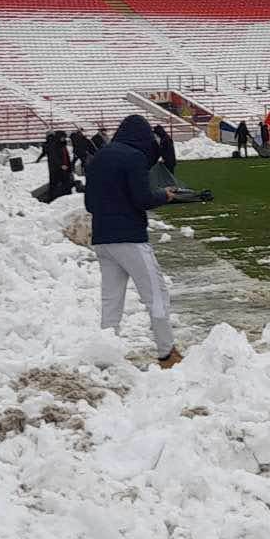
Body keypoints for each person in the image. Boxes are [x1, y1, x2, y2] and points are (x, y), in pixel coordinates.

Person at [83, 114, 183, 366]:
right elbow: (142, 198)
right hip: (130, 238)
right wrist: (164, 195)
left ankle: (107, 353)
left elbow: (89, 203)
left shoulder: (97, 158)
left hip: (103, 239)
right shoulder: (134, 157)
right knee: (156, 294)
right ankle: (166, 351)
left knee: (111, 299)